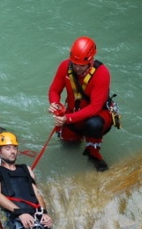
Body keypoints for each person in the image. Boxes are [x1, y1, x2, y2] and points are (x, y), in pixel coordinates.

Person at [47, 36, 115, 172]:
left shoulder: (102, 74)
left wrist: (67, 118)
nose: (77, 68)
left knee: (93, 125)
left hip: (99, 114)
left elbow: (95, 107)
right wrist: (55, 104)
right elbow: (54, 90)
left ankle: (94, 153)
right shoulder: (65, 66)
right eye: (74, 63)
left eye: (81, 65)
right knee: (68, 145)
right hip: (73, 112)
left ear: (90, 61)